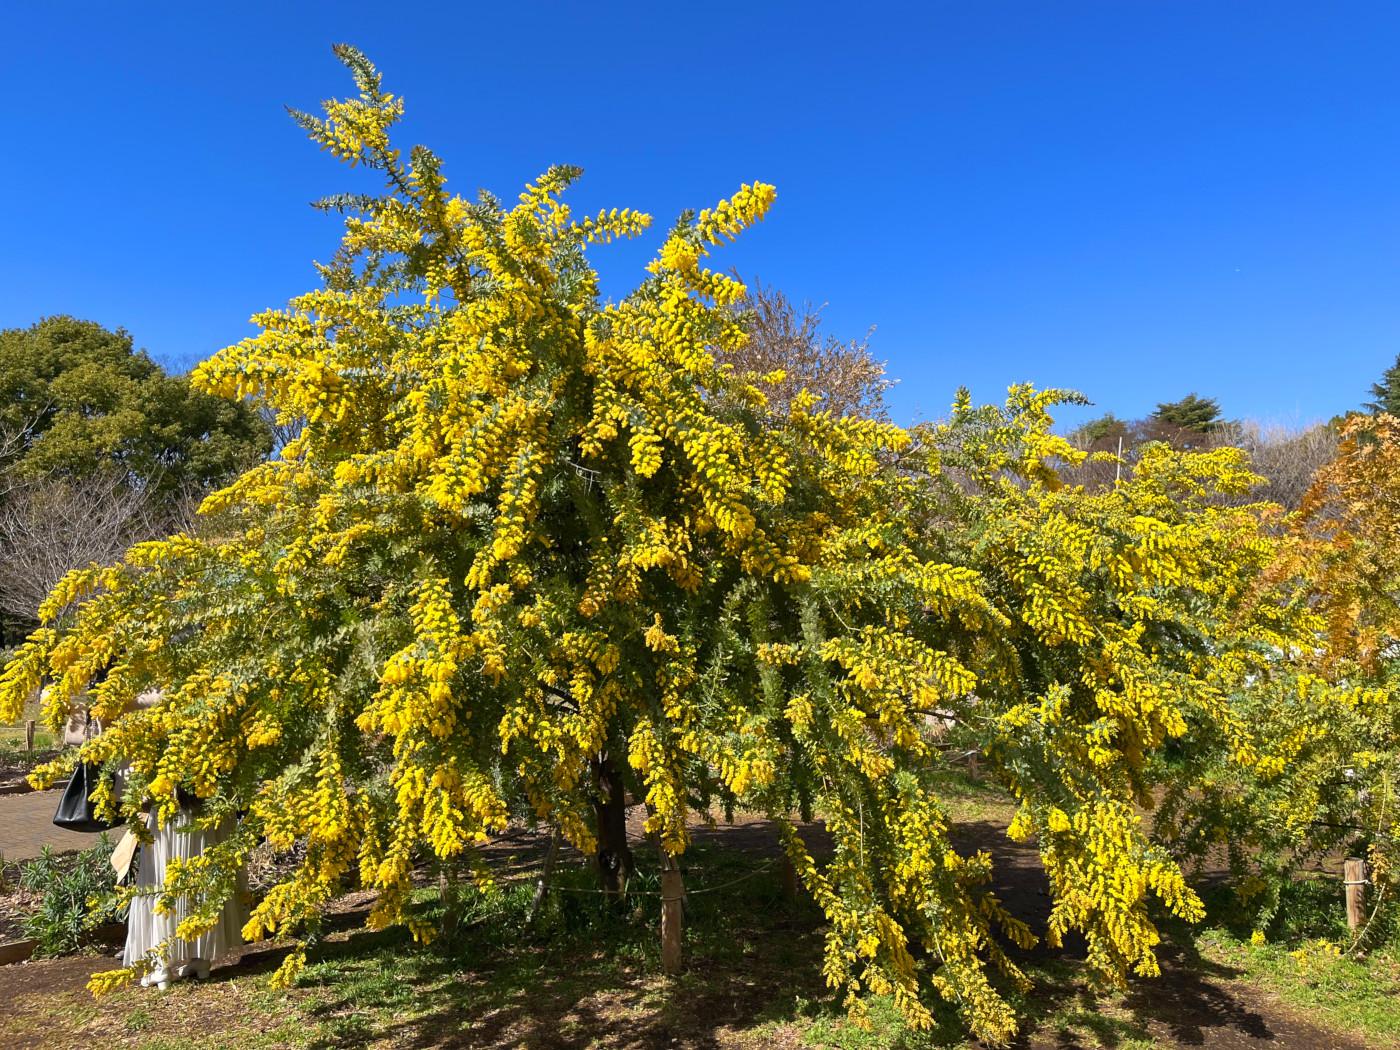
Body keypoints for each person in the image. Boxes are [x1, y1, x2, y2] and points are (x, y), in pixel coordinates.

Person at [119, 689, 248, 989]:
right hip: (210, 798)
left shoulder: (159, 685)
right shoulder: (217, 682)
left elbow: (137, 707)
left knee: (165, 880)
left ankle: (161, 965)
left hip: (171, 804)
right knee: (205, 878)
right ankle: (201, 961)